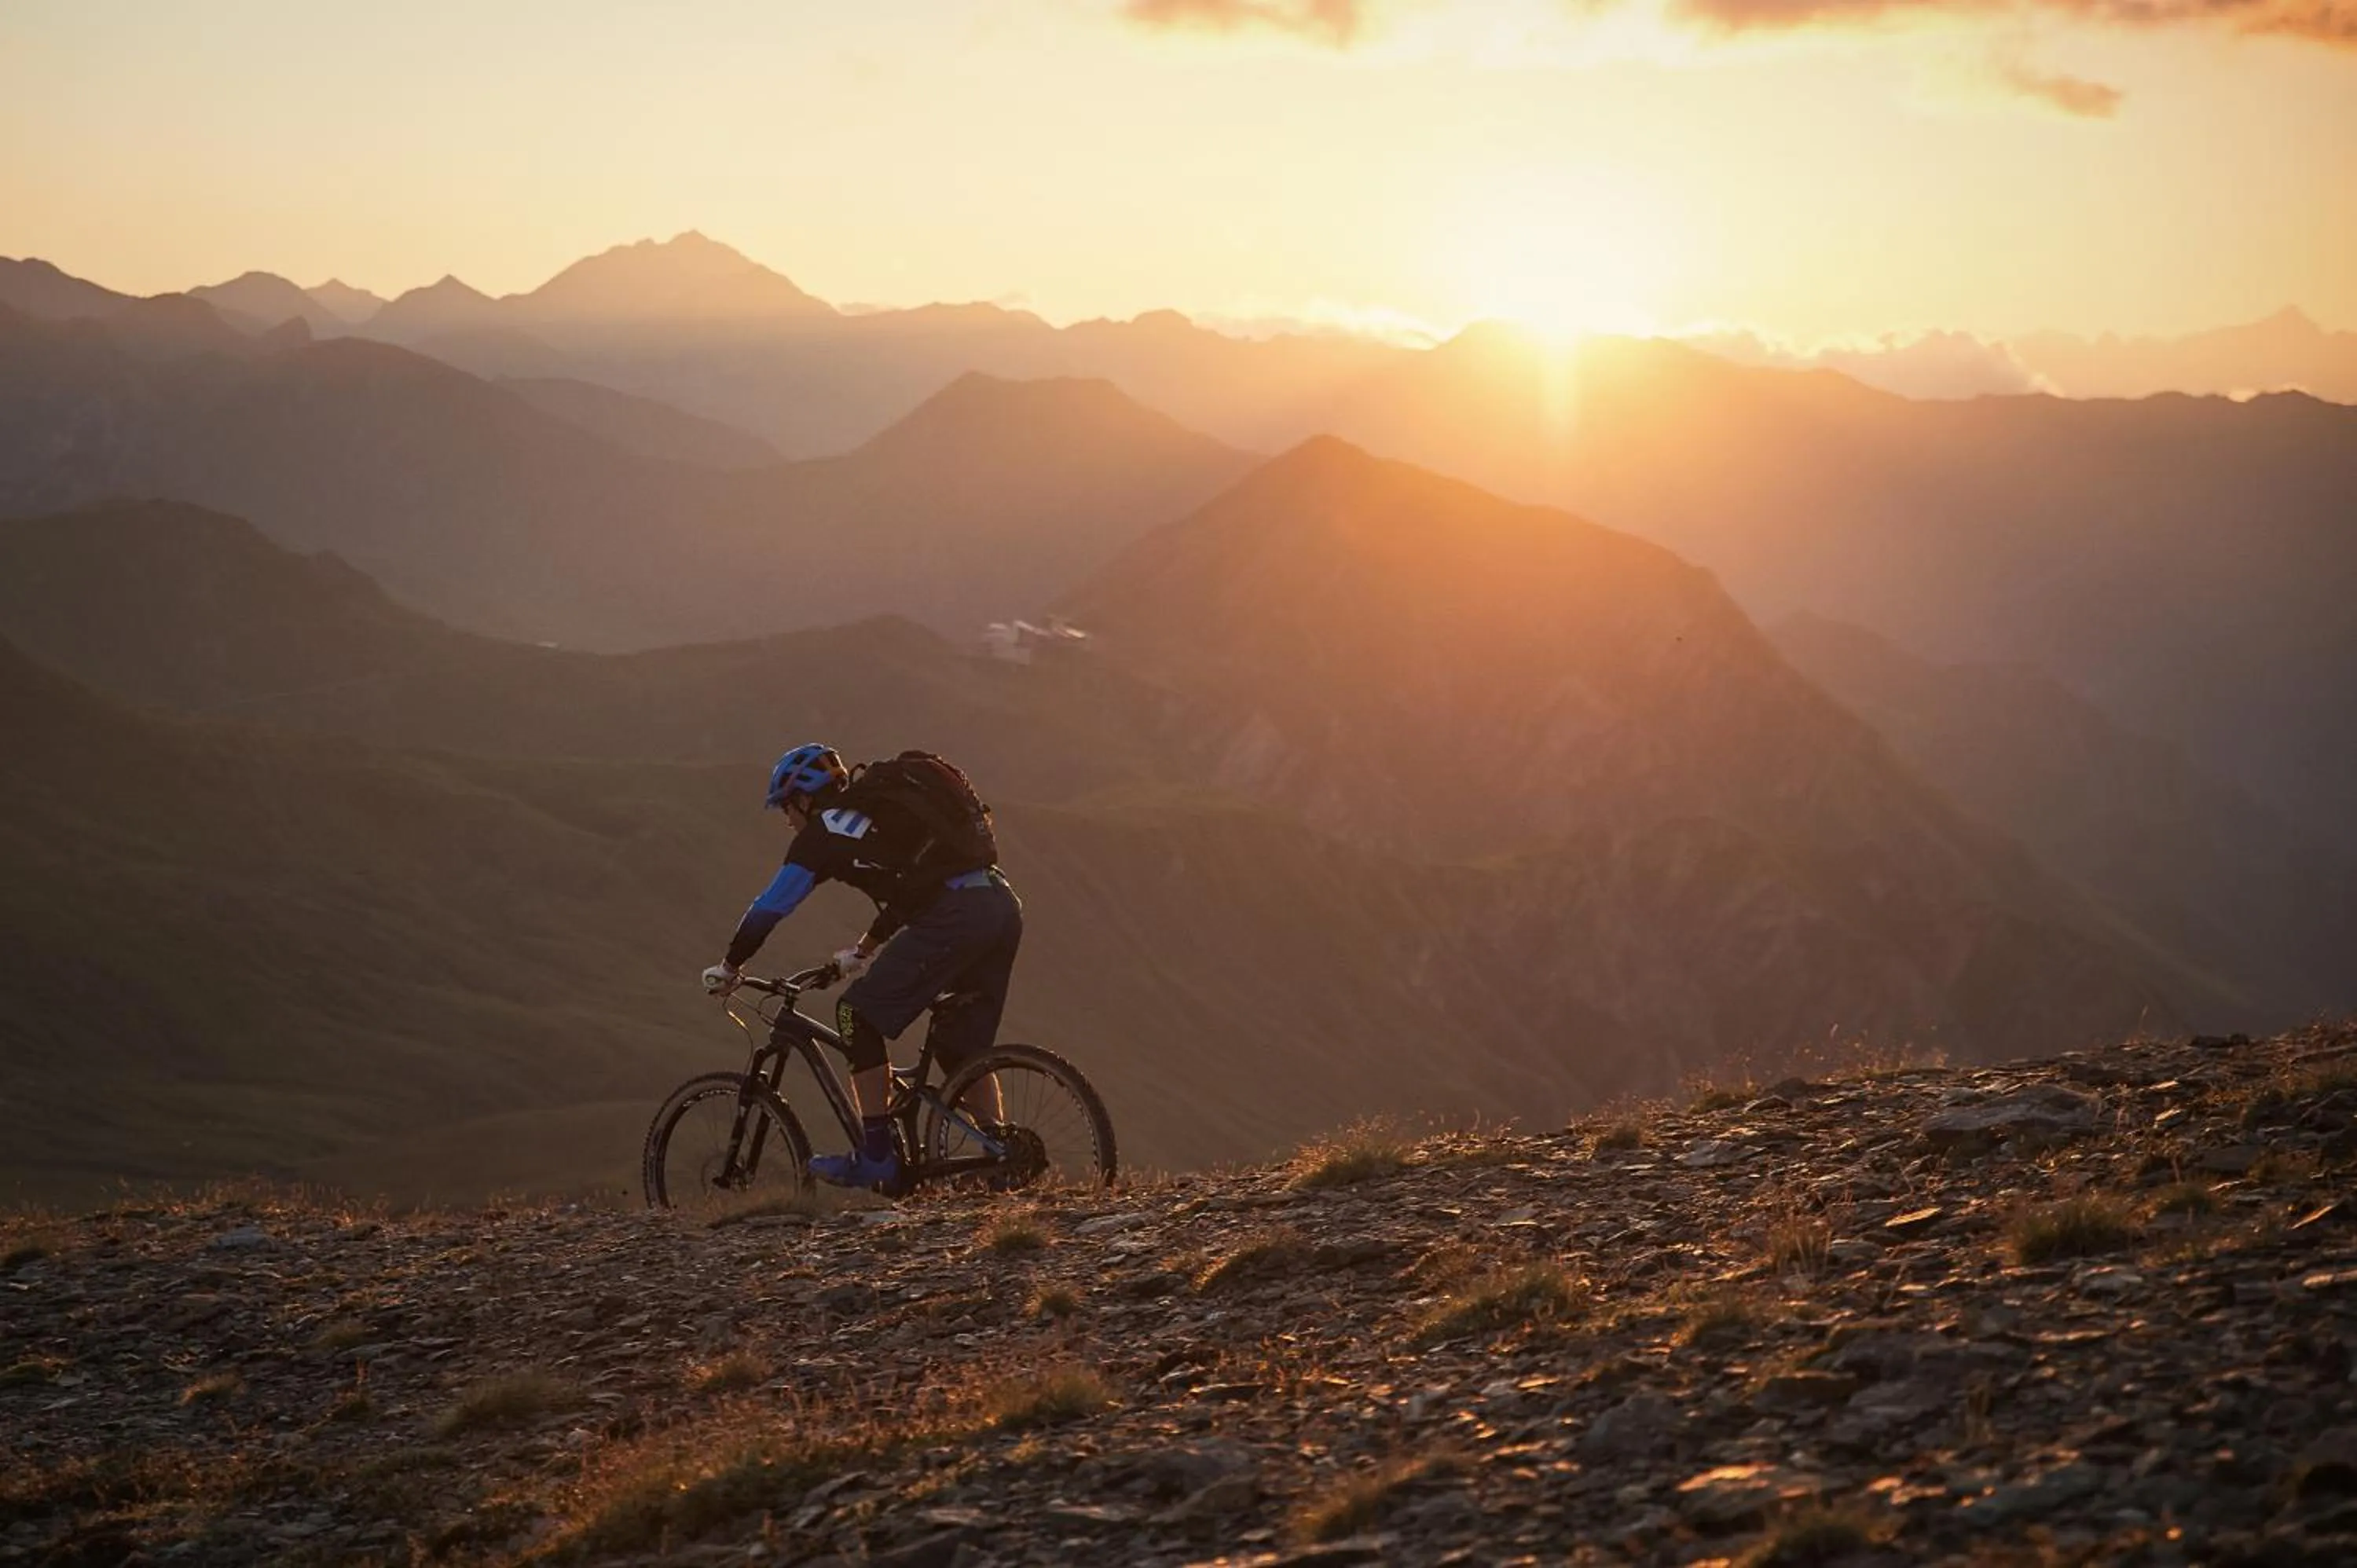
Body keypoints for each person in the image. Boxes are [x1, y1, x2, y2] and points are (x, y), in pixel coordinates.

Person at [702, 743, 1022, 1188]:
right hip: (999, 905)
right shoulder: (875, 818)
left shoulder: (822, 835)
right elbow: (913, 889)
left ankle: (876, 1157)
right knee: (958, 1048)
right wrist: (863, 950)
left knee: (855, 1015)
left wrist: (730, 965)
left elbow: (770, 907)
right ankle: (1003, 1158)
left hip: (959, 915)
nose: (787, 819)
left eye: (786, 808)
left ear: (804, 798)